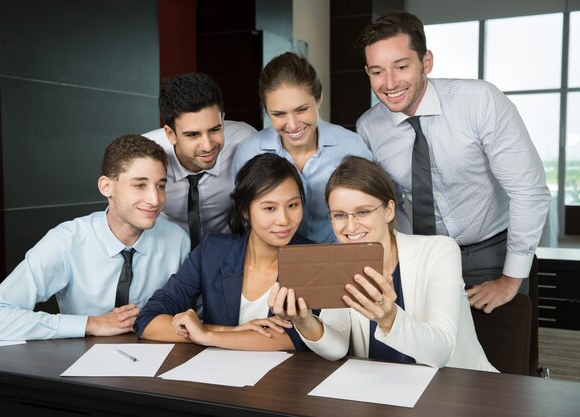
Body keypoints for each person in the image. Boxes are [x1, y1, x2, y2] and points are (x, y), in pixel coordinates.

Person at [354, 12, 550, 312]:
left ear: (426, 62)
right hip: (420, 257)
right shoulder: (368, 128)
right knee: (427, 353)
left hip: (491, 253)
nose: (389, 83)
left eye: (402, 66)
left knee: (501, 350)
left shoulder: (479, 101)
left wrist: (510, 280)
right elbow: (388, 203)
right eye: (377, 72)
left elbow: (529, 190)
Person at [270, 156, 497, 371]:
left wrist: (388, 317)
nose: (350, 228)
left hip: (455, 388)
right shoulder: (340, 259)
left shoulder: (439, 251)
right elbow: (336, 347)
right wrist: (304, 320)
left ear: (389, 210)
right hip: (381, 390)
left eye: (363, 212)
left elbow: (440, 353)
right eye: (339, 215)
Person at [0, 134, 190, 341]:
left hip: (159, 368)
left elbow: (196, 321)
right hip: (79, 369)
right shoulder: (66, 241)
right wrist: (90, 324)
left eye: (160, 186)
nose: (155, 199)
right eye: (139, 185)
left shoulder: (178, 241)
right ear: (106, 187)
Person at [134, 153, 312, 351]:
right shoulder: (212, 252)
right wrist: (224, 331)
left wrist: (207, 335)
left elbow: (295, 339)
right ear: (245, 210)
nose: (284, 220)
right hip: (216, 375)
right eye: (269, 208)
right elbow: (149, 320)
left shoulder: (313, 259)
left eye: (293, 205)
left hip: (286, 377)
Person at [232, 52, 373, 244]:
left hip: (338, 258)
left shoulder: (352, 147)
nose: (292, 125)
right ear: (266, 111)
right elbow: (244, 220)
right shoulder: (249, 152)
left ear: (318, 98)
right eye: (279, 114)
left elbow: (370, 213)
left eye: (301, 110)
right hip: (274, 262)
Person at [143, 72, 257, 250]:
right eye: (193, 135)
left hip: (228, 250)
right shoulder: (145, 155)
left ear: (223, 121)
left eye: (215, 129)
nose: (207, 145)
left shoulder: (246, 142)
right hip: (166, 251)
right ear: (170, 134)